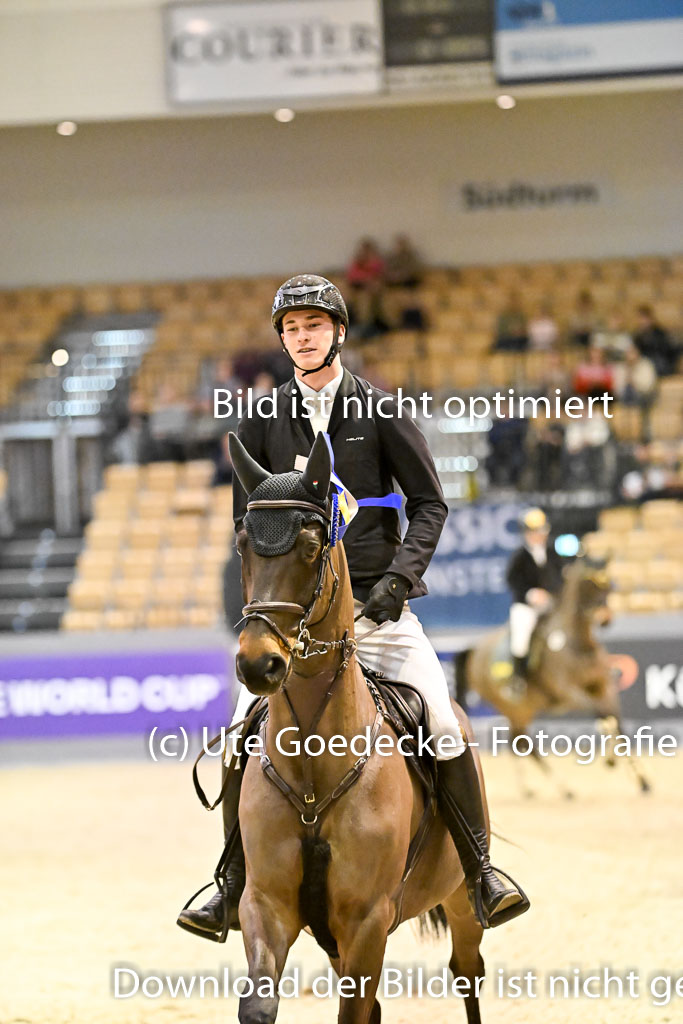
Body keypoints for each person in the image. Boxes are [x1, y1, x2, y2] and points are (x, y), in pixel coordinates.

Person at [177, 274, 528, 941]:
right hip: (297, 628)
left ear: (337, 331)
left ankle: (481, 872)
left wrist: (399, 579)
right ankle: (229, 882)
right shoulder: (261, 419)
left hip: (378, 612)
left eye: (313, 325)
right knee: (239, 731)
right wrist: (267, 612)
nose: (302, 337)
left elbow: (430, 504)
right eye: (291, 329)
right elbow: (249, 529)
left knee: (441, 719)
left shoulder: (380, 410)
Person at [506, 508, 564, 680]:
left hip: (550, 605)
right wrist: (530, 593)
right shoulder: (520, 557)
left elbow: (560, 579)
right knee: (521, 638)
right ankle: (518, 678)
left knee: (561, 636)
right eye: (534, 531)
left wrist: (550, 594)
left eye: (541, 531)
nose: (539, 535)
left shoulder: (553, 555)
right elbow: (513, 581)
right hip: (526, 606)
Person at [633, 305, 678, 376]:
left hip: (660, 364)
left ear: (651, 319)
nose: (642, 322)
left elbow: (666, 352)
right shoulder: (638, 336)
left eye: (644, 319)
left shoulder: (660, 333)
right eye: (640, 319)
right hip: (645, 364)